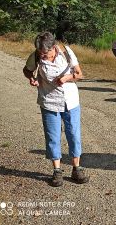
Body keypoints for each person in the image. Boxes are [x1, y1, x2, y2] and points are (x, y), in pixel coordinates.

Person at [23, 32, 89, 187]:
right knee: (53, 137)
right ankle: (57, 171)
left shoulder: (66, 53)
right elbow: (27, 70)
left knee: (73, 134)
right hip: (49, 102)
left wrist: (66, 78)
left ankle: (76, 169)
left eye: (45, 53)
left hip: (70, 101)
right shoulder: (36, 56)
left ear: (53, 47)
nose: (43, 56)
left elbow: (80, 74)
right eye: (41, 54)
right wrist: (31, 78)